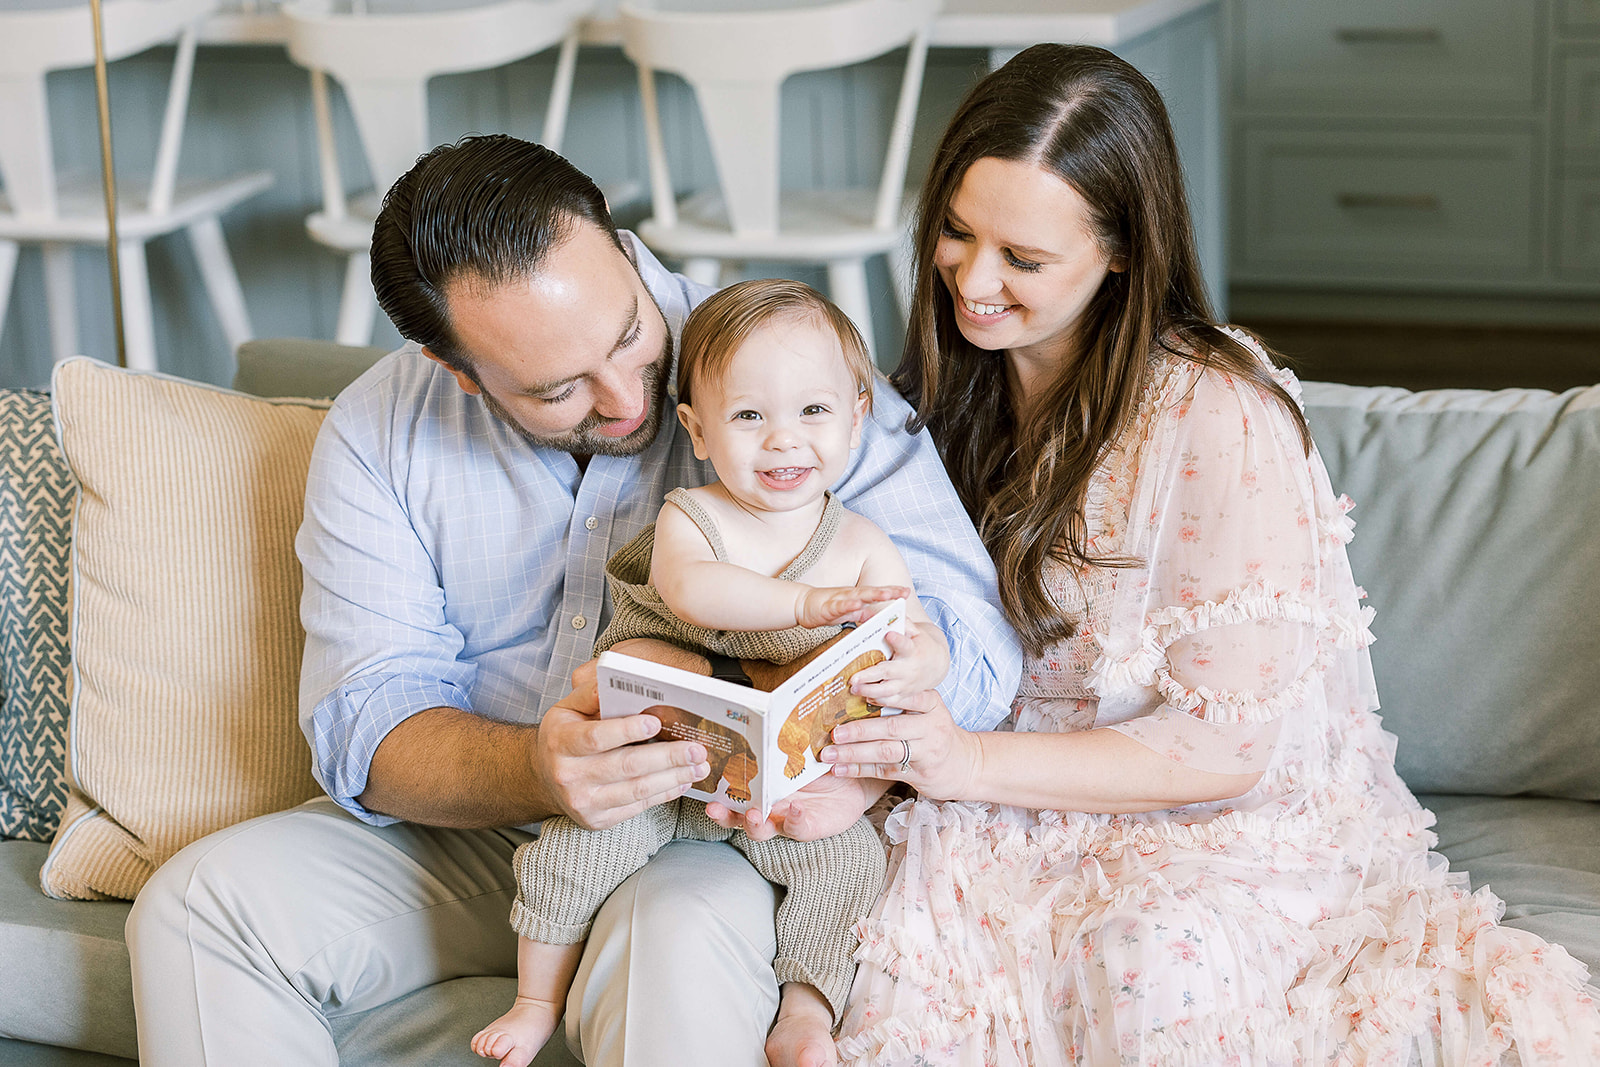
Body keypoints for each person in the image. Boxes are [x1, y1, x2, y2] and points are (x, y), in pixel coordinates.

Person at [123, 134, 1024, 1067]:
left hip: (715, 835)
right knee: (197, 910)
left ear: (619, 244)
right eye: (560, 389)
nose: (627, 399)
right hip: (486, 825)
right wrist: (544, 769)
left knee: (673, 941)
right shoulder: (378, 431)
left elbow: (981, 654)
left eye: (630, 334)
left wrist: (854, 739)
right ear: (461, 371)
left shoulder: (779, 370)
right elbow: (365, 721)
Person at [817, 44, 1600, 1065]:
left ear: (1122, 252)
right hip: (990, 800)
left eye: (1024, 258)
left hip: (1208, 821)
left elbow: (1224, 750)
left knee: (1144, 956)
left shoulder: (1217, 414)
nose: (972, 278)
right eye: (957, 234)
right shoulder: (937, 390)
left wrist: (962, 762)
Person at [473, 278, 951, 1067]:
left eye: (814, 411)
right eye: (749, 416)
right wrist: (807, 603)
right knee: (575, 845)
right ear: (697, 431)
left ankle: (805, 1012)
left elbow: (919, 631)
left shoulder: (863, 540)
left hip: (779, 784)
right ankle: (534, 1000)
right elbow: (698, 591)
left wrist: (918, 662)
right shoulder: (692, 518)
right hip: (662, 764)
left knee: (850, 866)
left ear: (858, 413)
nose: (783, 440)